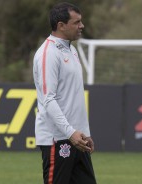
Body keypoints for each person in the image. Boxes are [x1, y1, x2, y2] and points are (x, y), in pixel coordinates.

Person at [33, 2, 97, 184]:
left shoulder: (72, 49)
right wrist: (70, 133)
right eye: (77, 22)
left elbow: (72, 97)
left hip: (77, 138)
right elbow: (48, 99)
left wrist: (83, 132)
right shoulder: (48, 53)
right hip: (58, 139)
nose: (82, 26)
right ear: (61, 25)